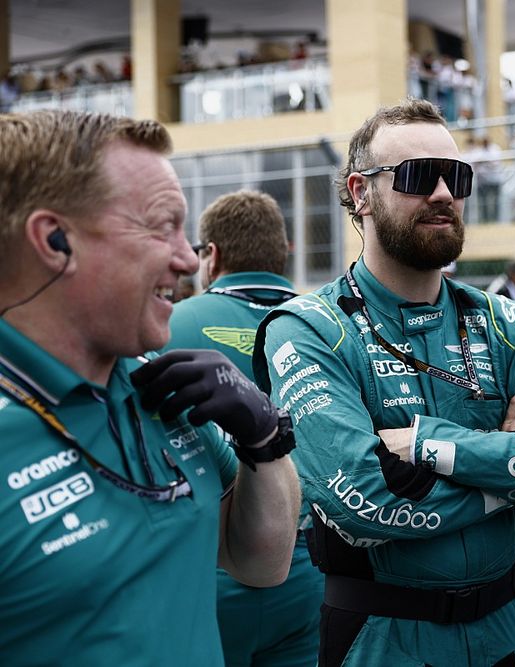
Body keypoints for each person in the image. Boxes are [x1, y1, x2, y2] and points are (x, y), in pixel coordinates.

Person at [251, 98, 515, 667]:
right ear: (361, 192)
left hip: (514, 629)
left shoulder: (503, 321)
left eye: (456, 177)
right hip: (384, 637)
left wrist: (424, 446)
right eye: (417, 176)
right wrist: (509, 470)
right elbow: (362, 498)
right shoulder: (307, 329)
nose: (444, 193)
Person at [0, 110, 301, 665]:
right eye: (162, 225)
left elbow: (262, 564)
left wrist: (264, 440)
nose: (189, 259)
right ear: (54, 240)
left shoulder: (157, 388)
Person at [161, 190, 322, 667]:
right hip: (314, 566)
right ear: (284, 251)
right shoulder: (328, 324)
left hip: (210, 562)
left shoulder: (167, 322)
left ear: (212, 255)